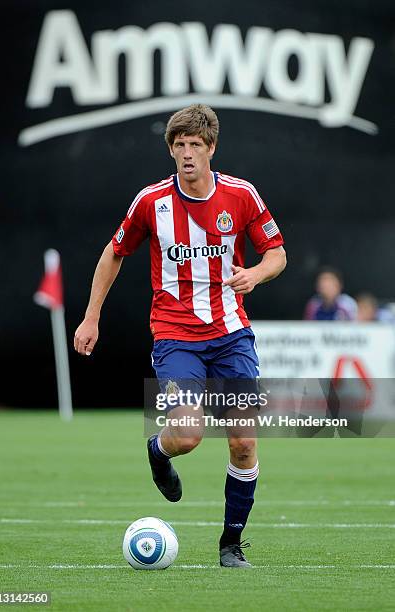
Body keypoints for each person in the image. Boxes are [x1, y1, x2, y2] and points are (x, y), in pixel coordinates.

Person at [74, 104, 286, 568]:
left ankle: (230, 544)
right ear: (171, 150)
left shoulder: (241, 195)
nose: (187, 154)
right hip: (175, 336)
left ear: (211, 148)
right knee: (188, 435)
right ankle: (158, 449)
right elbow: (114, 253)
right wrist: (92, 317)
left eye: (195, 145)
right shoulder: (151, 202)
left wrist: (255, 274)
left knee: (244, 441)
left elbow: (277, 253)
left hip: (232, 334)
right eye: (179, 146)